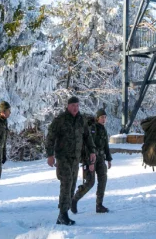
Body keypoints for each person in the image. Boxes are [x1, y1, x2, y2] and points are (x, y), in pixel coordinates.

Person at [46, 96, 96, 225]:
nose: (75, 108)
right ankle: (63, 214)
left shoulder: (81, 120)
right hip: (63, 157)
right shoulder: (60, 120)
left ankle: (63, 214)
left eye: (77, 106)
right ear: (68, 106)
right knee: (66, 183)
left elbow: (87, 137)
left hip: (75, 158)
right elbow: (50, 137)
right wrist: (50, 155)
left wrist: (92, 151)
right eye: (73, 105)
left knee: (72, 184)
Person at [72, 109, 113, 214]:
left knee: (103, 180)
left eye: (105, 117)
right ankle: (74, 199)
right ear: (97, 118)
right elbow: (88, 146)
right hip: (90, 159)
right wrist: (90, 163)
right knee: (90, 182)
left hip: (100, 159)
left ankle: (99, 205)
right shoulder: (92, 129)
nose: (104, 119)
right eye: (102, 117)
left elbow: (106, 146)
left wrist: (108, 159)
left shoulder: (103, 129)